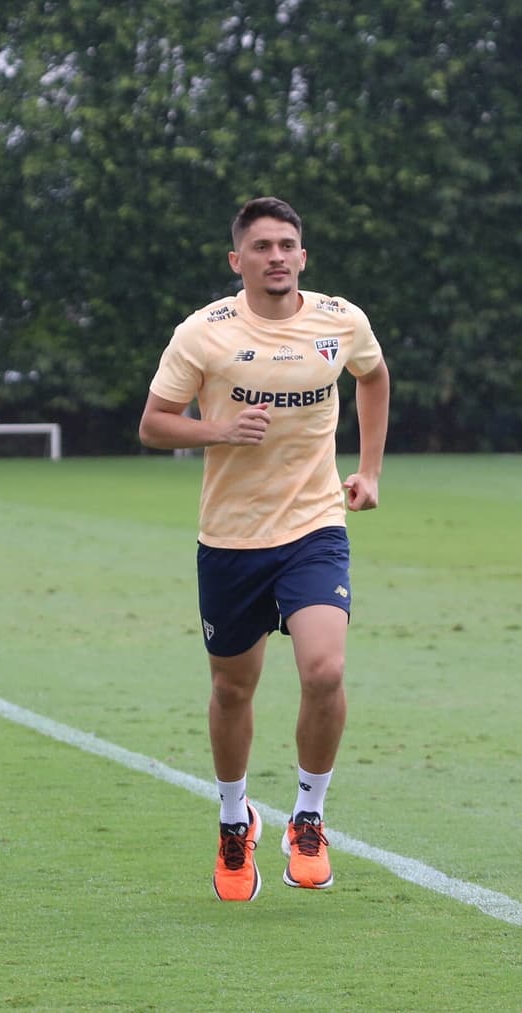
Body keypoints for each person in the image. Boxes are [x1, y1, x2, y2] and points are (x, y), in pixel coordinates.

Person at [139, 196, 390, 901]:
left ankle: (308, 813)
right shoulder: (204, 335)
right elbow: (155, 424)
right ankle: (233, 816)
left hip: (314, 526)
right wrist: (216, 429)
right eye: (262, 246)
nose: (276, 256)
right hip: (230, 539)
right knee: (232, 687)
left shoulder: (341, 322)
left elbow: (373, 376)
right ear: (237, 261)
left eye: (287, 244)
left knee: (324, 668)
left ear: (302, 256)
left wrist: (368, 470)